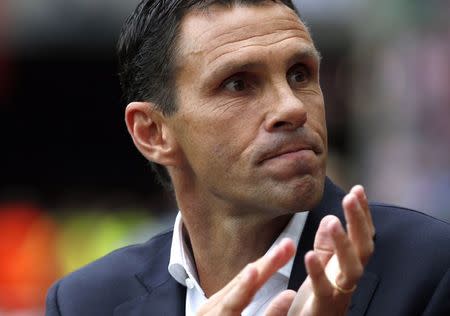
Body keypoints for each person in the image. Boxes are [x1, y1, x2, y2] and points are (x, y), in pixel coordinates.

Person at [46, 1, 450, 315]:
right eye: (238, 84)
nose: (291, 107)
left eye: (300, 74)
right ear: (153, 132)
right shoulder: (85, 301)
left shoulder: (429, 269)